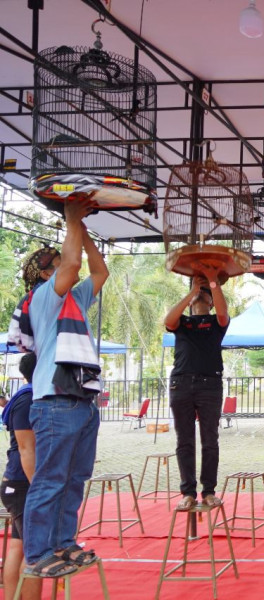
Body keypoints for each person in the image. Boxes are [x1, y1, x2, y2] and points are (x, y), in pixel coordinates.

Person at [21, 200, 108, 577]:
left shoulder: (74, 297)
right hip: (56, 399)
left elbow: (100, 272)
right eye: (53, 261)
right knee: (51, 479)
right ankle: (38, 552)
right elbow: (73, 266)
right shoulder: (44, 298)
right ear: (42, 273)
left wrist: (84, 233)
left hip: (81, 399)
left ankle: (63, 543)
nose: (62, 262)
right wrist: (72, 219)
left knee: (74, 478)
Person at [164, 266, 230, 511]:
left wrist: (213, 282)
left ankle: (209, 491)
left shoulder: (216, 322)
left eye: (205, 294)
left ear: (211, 302)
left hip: (209, 384)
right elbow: (168, 320)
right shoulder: (181, 322)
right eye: (197, 293)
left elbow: (224, 313)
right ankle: (188, 492)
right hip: (181, 383)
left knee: (209, 439)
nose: (201, 295)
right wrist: (192, 291)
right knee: (184, 440)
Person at [2, 353, 43, 598]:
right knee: (34, 549)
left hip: (19, 483)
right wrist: (39, 489)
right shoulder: (27, 399)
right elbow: (27, 449)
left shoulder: (30, 396)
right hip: (22, 484)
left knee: (19, 545)